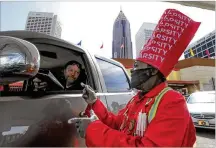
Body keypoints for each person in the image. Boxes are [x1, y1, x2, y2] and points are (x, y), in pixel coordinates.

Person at [75, 9, 200, 147]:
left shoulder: (172, 101)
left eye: (136, 65)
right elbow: (116, 124)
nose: (132, 70)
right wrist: (94, 102)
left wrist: (92, 130)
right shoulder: (137, 99)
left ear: (152, 71)